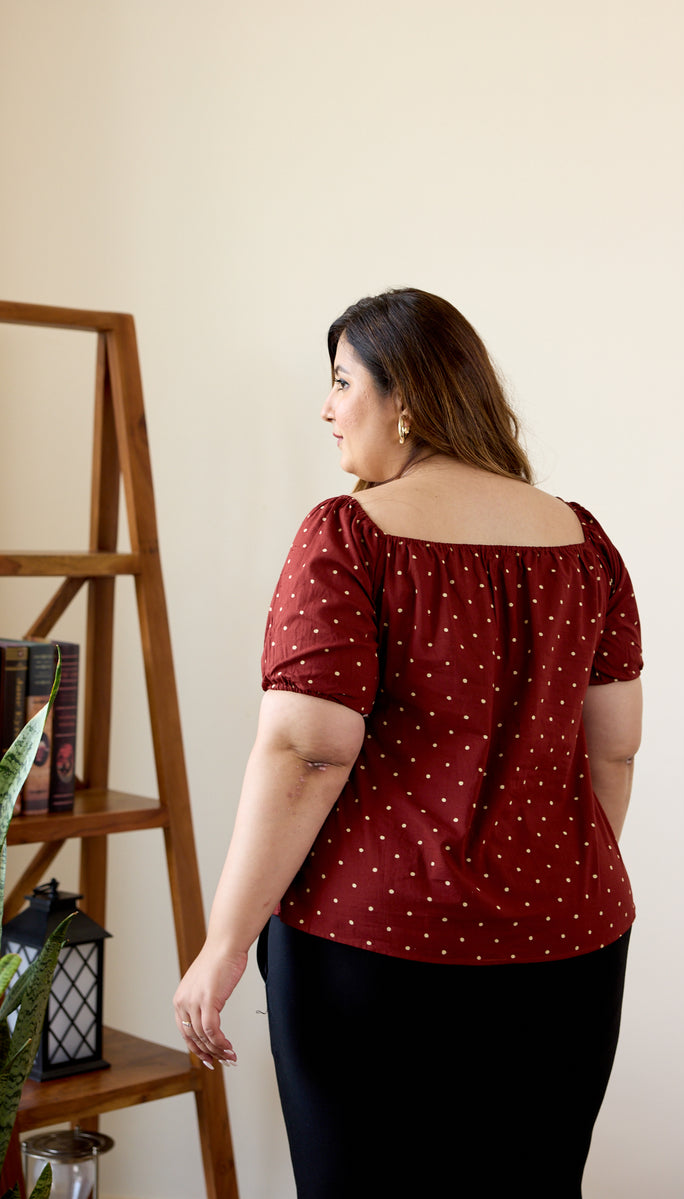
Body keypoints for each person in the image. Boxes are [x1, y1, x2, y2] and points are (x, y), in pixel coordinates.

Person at [174, 288, 643, 1198]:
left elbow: (306, 750)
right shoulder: (585, 543)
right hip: (571, 948)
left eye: (342, 381)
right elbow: (613, 751)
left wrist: (224, 940)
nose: (325, 407)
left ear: (409, 402)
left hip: (375, 950)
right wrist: (536, 888)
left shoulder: (350, 535)